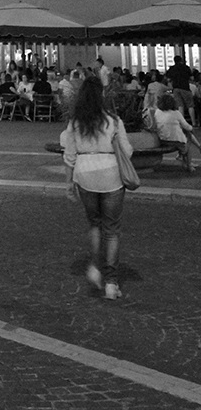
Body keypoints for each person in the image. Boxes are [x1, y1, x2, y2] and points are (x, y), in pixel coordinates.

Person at [63, 73, 133, 301]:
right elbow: (128, 151)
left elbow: (69, 156)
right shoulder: (113, 120)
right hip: (111, 174)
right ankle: (111, 282)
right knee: (112, 230)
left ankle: (94, 266)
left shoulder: (76, 122)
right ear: (102, 95)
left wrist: (68, 183)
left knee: (94, 224)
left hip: (85, 174)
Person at [152, 93, 200, 171]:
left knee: (186, 134)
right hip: (176, 140)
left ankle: (183, 156)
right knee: (188, 140)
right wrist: (192, 129)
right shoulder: (176, 113)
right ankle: (189, 165)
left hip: (163, 139)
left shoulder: (157, 112)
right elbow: (187, 126)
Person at [165, 51, 196, 126]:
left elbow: (167, 78)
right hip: (185, 87)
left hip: (176, 88)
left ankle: (182, 123)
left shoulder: (172, 68)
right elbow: (191, 78)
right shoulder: (186, 67)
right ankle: (194, 122)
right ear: (181, 60)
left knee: (180, 106)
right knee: (190, 105)